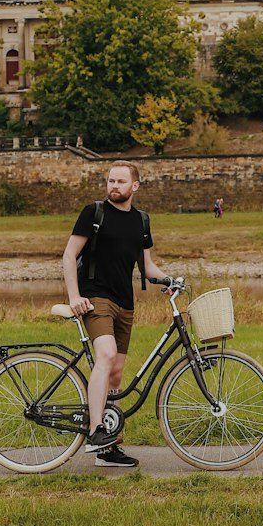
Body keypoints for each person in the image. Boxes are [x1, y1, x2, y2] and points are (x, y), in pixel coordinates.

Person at [61, 162, 173, 468]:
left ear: (134, 186)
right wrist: (74, 296)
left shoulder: (141, 221)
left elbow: (147, 268)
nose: (114, 185)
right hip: (96, 296)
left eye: (121, 181)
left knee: (116, 374)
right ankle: (96, 430)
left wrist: (169, 281)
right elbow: (69, 255)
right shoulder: (93, 213)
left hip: (126, 303)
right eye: (111, 180)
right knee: (106, 354)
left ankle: (107, 450)